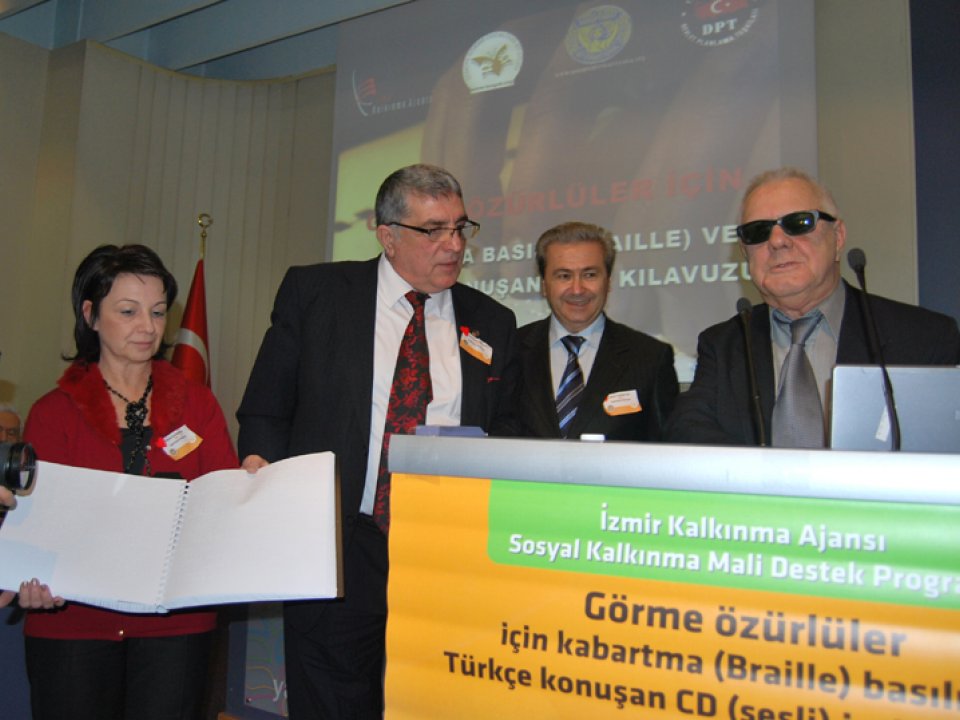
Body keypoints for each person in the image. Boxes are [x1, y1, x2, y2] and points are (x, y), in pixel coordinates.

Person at [237, 164, 520, 719]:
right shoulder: (317, 294)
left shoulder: (493, 321)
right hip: (341, 544)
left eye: (461, 227)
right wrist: (262, 477)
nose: (454, 244)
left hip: (443, 553)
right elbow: (267, 407)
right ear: (387, 236)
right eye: (433, 230)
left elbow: (507, 430)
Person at [18, 244, 239, 720]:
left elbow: (221, 504)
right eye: (128, 311)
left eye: (157, 312)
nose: (148, 327)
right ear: (90, 315)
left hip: (176, 623)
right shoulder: (53, 413)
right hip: (73, 623)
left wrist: (251, 488)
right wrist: (29, 577)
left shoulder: (197, 404)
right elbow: (36, 527)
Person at [666, 167, 960, 446]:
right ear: (745, 253)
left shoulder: (925, 338)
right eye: (758, 231)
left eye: (798, 223)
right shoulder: (723, 345)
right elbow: (687, 430)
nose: (777, 241)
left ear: (838, 237)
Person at [517, 221, 678, 440]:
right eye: (564, 276)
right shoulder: (512, 349)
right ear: (544, 285)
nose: (577, 289)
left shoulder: (650, 358)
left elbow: (666, 448)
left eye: (590, 275)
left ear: (608, 282)